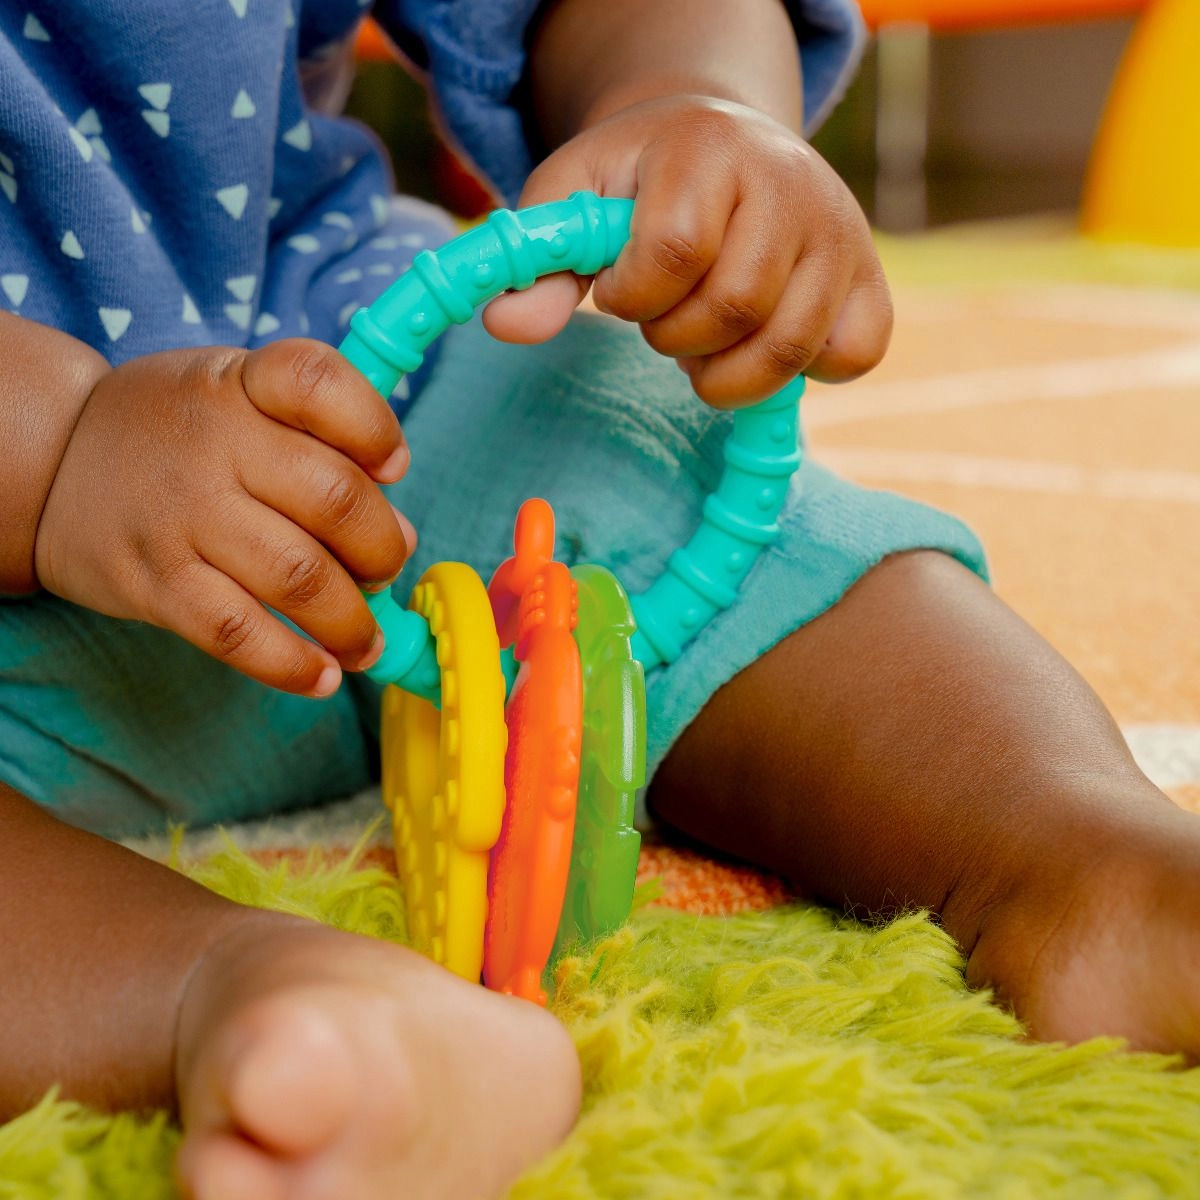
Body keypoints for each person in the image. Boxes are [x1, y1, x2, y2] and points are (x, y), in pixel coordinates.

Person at [1, 0, 1196, 1197]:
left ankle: (1085, 858)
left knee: (642, 451)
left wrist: (691, 104)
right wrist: (59, 447)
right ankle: (243, 996)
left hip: (347, 377)